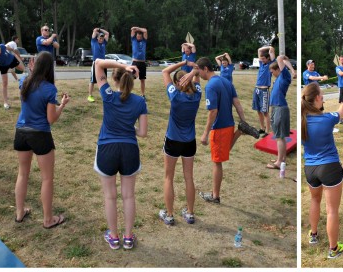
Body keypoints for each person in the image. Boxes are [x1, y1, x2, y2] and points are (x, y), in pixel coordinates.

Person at [93, 59, 148, 250]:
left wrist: (122, 65)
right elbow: (142, 133)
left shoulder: (108, 95)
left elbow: (98, 63)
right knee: (128, 196)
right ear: (134, 81)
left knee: (110, 196)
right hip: (129, 150)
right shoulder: (140, 101)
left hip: (107, 148)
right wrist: (128, 127)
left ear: (115, 80)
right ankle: (128, 237)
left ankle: (114, 238)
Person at [14, 51, 70, 229]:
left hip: (21, 132)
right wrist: (62, 105)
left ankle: (19, 212)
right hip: (40, 134)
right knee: (47, 179)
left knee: (23, 174)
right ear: (49, 68)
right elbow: (51, 119)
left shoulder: (24, 81)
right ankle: (48, 220)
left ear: (34, 65)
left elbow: (25, 74)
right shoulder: (49, 88)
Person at [186, 57, 249, 204]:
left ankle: (215, 196)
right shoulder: (226, 81)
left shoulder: (211, 86)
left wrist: (205, 133)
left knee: (217, 162)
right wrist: (243, 120)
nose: (199, 75)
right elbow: (237, 103)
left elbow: (212, 111)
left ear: (205, 69)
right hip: (229, 125)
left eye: (199, 71)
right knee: (222, 154)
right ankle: (239, 131)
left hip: (219, 128)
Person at [301, 82, 343, 259]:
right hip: (329, 168)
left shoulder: (302, 121)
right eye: (321, 95)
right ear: (316, 99)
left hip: (310, 169)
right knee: (332, 210)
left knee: (315, 201)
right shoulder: (327, 118)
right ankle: (333, 249)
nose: (323, 98)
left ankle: (313, 235)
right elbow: (342, 111)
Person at [158, 61, 201, 225]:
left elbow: (165, 72)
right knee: (189, 177)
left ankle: (169, 215)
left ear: (177, 83)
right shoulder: (197, 94)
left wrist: (184, 63)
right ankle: (190, 213)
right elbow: (197, 73)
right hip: (190, 141)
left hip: (173, 140)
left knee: (169, 177)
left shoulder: (175, 95)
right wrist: (192, 72)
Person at [265, 55, 294, 170]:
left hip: (280, 108)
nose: (272, 74)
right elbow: (280, 61)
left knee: (279, 137)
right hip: (276, 107)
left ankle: (278, 162)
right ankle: (282, 159)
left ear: (278, 69)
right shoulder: (279, 78)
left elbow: (279, 58)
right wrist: (285, 60)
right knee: (279, 136)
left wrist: (283, 58)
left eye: (273, 72)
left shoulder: (284, 76)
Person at [0, 41, 26, 109]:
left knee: (22, 69)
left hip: (11, 59)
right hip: (3, 66)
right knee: (5, 83)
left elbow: (8, 48)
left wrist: (13, 51)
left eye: (0, 50)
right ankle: (5, 102)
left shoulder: (2, 46)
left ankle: (12, 67)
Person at [253, 46, 276, 137]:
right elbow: (259, 50)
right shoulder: (261, 64)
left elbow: (272, 50)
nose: (262, 60)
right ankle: (262, 128)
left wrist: (270, 47)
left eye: (263, 59)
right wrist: (265, 47)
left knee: (265, 111)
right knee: (258, 110)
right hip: (257, 89)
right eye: (261, 58)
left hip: (264, 90)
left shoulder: (271, 65)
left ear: (268, 58)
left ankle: (267, 131)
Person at [87, 28, 110, 102]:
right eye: (100, 38)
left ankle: (104, 95)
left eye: (102, 38)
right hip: (96, 63)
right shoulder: (94, 41)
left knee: (104, 79)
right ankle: (90, 96)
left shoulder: (104, 43)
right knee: (93, 80)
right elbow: (94, 30)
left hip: (103, 63)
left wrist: (100, 30)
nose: (101, 39)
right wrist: (98, 30)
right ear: (97, 38)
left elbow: (107, 33)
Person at [130, 26, 149, 97]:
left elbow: (145, 30)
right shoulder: (133, 40)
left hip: (142, 63)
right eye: (137, 36)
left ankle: (142, 95)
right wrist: (136, 29)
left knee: (142, 80)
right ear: (136, 36)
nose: (138, 38)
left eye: (140, 37)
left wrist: (139, 29)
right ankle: (128, 93)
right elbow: (132, 29)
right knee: (131, 79)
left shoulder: (144, 41)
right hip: (135, 63)